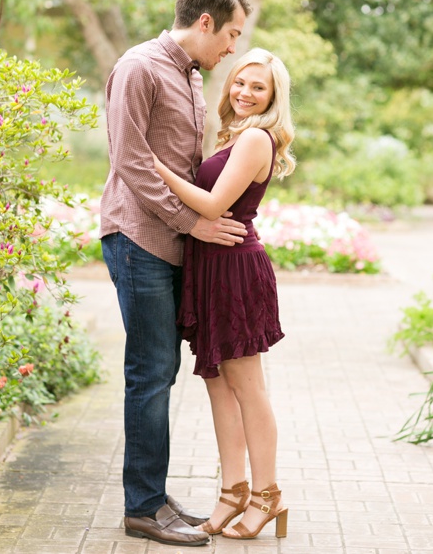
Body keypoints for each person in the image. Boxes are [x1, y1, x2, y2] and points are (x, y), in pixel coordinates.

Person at [100, 0, 252, 546]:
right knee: (149, 370)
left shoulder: (188, 74)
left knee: (160, 370)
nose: (233, 48)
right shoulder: (139, 66)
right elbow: (132, 162)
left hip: (169, 244)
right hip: (138, 238)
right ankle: (141, 507)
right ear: (206, 22)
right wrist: (196, 224)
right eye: (232, 33)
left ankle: (155, 496)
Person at [152, 47, 295, 540]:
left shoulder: (256, 138)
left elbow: (213, 203)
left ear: (274, 95)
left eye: (258, 87)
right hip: (210, 267)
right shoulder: (232, 135)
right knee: (217, 384)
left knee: (247, 387)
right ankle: (232, 492)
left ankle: (267, 495)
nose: (245, 92)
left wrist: (156, 168)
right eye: (240, 82)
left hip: (235, 269)